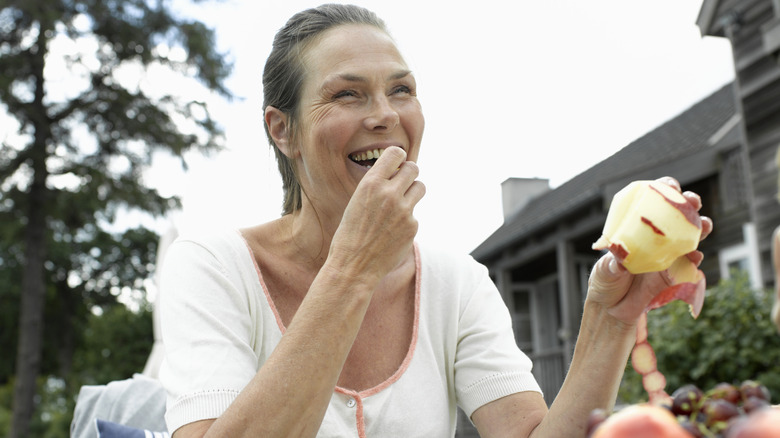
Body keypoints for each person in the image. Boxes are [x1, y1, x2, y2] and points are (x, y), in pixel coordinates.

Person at [157, 4, 713, 437]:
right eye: (347, 94)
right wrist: (353, 267)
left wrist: (609, 316)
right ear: (282, 130)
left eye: (401, 90)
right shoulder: (212, 268)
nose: (384, 115)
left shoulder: (456, 281)